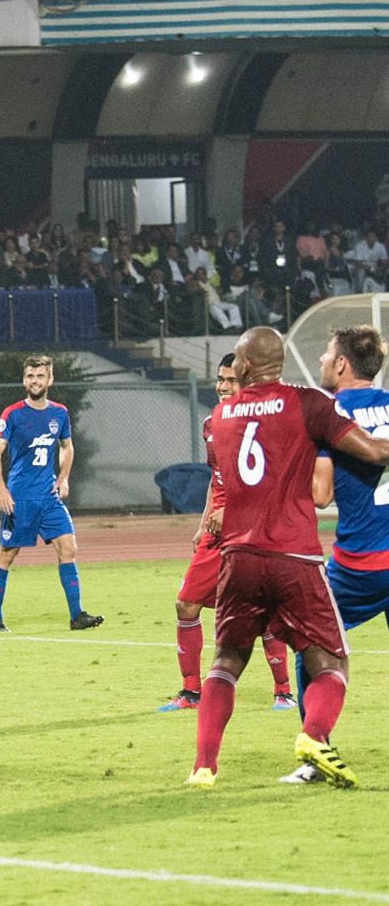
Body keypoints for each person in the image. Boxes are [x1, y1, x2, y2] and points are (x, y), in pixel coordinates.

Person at [190, 326, 389, 789]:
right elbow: (372, 451)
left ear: (239, 368)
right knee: (328, 659)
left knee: (234, 659)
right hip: (299, 554)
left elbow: (316, 491)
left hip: (254, 555)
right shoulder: (310, 404)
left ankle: (207, 764)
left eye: (325, 353)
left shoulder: (220, 417)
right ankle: (314, 737)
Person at [161, 354, 296, 714]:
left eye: (230, 380)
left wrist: (230, 510)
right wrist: (203, 520)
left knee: (263, 612)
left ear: (247, 383)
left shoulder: (264, 425)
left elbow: (272, 484)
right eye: (220, 379)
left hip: (253, 530)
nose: (222, 386)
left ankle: (283, 691)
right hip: (217, 532)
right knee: (186, 604)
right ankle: (191, 692)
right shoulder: (212, 424)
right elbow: (216, 478)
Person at [290, 327, 389, 783]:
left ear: (343, 364)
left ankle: (316, 749)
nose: (325, 360)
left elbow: (322, 494)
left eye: (328, 353)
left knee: (310, 644)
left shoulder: (331, 412)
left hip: (361, 564)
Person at [0, 355, 103, 631]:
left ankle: (77, 616)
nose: (34, 381)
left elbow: (67, 447)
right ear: (24, 380)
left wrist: (63, 478)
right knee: (7, 554)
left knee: (69, 547)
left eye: (40, 376)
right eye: (30, 376)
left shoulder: (59, 413)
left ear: (50, 380)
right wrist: (1, 489)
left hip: (48, 496)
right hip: (20, 498)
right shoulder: (12, 414)